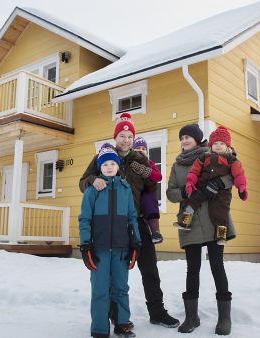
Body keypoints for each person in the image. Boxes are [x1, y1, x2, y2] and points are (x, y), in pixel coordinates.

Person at [79, 113, 180, 329]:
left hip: (136, 222)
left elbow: (153, 183)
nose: (126, 140)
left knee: (150, 268)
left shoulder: (138, 158)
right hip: (110, 225)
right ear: (116, 136)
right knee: (113, 275)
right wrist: (92, 179)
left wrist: (147, 175)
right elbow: (82, 182)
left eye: (129, 136)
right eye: (122, 135)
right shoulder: (104, 156)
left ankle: (157, 311)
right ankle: (116, 316)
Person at [166, 123, 235, 335]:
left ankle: (224, 318)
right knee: (192, 268)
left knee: (217, 266)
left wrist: (217, 184)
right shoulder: (177, 166)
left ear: (198, 139)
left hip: (214, 218)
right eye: (182, 137)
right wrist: (187, 193)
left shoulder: (211, 154)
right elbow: (170, 192)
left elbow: (232, 172)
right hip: (190, 221)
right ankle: (191, 317)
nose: (185, 140)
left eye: (188, 137)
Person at [79, 145, 141, 338]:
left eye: (112, 163)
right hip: (99, 249)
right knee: (100, 289)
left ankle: (122, 323)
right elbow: (85, 219)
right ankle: (99, 328)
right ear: (99, 168)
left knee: (121, 288)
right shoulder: (92, 190)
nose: (109, 166)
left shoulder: (125, 189)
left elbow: (132, 217)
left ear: (118, 166)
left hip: (122, 249)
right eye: (104, 164)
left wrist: (135, 243)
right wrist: (85, 245)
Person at [174, 126, 248, 246]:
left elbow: (238, 175)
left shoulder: (232, 160)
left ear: (227, 146)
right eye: (215, 143)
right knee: (192, 202)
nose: (218, 146)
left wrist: (241, 187)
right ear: (211, 145)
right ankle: (185, 222)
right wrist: (190, 182)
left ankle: (221, 235)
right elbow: (194, 171)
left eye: (221, 143)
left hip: (222, 193)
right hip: (202, 187)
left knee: (219, 212)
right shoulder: (204, 157)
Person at [132, 136, 163, 244]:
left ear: (147, 152)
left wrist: (145, 170)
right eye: (137, 148)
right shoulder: (129, 164)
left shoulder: (149, 163)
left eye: (143, 148)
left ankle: (155, 231)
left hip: (146, 193)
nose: (140, 150)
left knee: (149, 199)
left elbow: (158, 177)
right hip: (133, 195)